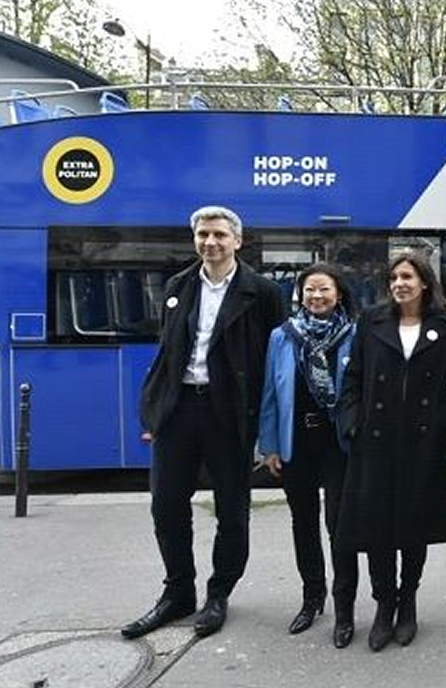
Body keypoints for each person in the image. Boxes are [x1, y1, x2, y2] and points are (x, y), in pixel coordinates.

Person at [124, 205, 286, 640]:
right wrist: (153, 411)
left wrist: (266, 428)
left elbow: (275, 363)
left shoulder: (263, 292)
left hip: (229, 412)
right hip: (179, 411)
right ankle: (178, 593)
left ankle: (218, 595)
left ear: (237, 240)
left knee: (232, 512)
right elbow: (167, 353)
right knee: (166, 506)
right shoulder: (179, 285)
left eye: (218, 235)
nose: (209, 242)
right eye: (202, 235)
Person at [336, 251, 446, 652]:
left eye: (407, 276)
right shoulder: (372, 320)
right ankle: (383, 604)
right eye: (394, 278)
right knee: (377, 527)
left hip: (425, 442)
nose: (399, 284)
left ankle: (408, 600)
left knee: (414, 525)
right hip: (375, 440)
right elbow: (353, 378)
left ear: (424, 281)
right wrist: (353, 423)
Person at [257, 264, 360, 647]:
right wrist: (268, 446)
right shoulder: (282, 337)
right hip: (296, 443)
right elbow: (270, 391)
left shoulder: (356, 333)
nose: (316, 296)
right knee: (303, 523)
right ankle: (311, 597)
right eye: (309, 290)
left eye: (325, 289)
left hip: (338, 445)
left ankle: (344, 609)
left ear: (339, 293)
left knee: (339, 526)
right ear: (299, 294)